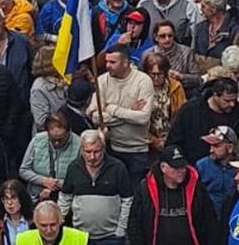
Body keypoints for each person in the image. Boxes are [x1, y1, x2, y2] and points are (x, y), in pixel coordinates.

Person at [128, 146, 218, 245]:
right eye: (176, 168)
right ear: (163, 168)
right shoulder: (145, 189)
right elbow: (134, 226)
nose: (181, 171)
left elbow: (210, 223)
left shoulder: (197, 188)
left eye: (183, 166)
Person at [59, 129, 133, 245]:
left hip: (111, 238)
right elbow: (65, 197)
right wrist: (59, 221)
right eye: (87, 152)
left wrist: (120, 230)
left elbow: (127, 200)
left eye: (96, 151)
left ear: (103, 149)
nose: (92, 157)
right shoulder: (74, 167)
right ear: (81, 150)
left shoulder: (118, 168)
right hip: (81, 238)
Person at [87, 44, 154, 187]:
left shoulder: (143, 81)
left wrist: (112, 108)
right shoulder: (102, 81)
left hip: (137, 150)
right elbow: (95, 117)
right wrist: (129, 110)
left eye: (112, 62)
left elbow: (143, 118)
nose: (107, 66)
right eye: (107, 61)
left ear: (125, 63)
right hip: (111, 148)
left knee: (135, 194)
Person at [168, 77, 239, 162]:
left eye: (234, 100)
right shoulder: (191, 110)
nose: (232, 104)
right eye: (227, 101)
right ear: (215, 95)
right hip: (194, 162)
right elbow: (174, 140)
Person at [10, 200, 91, 245]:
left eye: (53, 225)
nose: (49, 230)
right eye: (43, 226)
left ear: (60, 221)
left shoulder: (80, 239)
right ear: (36, 224)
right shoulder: (23, 241)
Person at [20, 111, 80, 202]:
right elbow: (23, 170)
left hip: (66, 198)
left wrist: (56, 185)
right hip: (37, 196)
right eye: (52, 139)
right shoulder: (37, 140)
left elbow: (80, 178)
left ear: (69, 132)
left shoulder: (79, 144)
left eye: (60, 139)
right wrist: (43, 181)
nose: (56, 142)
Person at [192, 0, 239, 71]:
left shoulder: (236, 33)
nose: (201, 10)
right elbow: (192, 57)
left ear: (213, 9)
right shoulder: (199, 28)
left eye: (203, 7)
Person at [142, 52, 186, 154]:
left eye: (160, 74)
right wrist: (153, 141)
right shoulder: (140, 88)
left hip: (171, 136)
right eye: (152, 74)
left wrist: (170, 137)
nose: (156, 78)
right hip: (147, 139)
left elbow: (182, 114)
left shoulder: (176, 87)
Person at [142, 20, 203, 92]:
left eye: (170, 35)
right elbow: (141, 79)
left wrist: (181, 77)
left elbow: (199, 79)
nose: (167, 39)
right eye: (162, 36)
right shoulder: (147, 54)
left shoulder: (186, 52)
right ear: (156, 37)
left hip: (181, 94)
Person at [196, 125, 238, 218]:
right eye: (210, 145)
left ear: (230, 147)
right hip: (208, 220)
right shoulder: (202, 166)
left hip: (233, 217)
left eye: (216, 146)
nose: (211, 150)